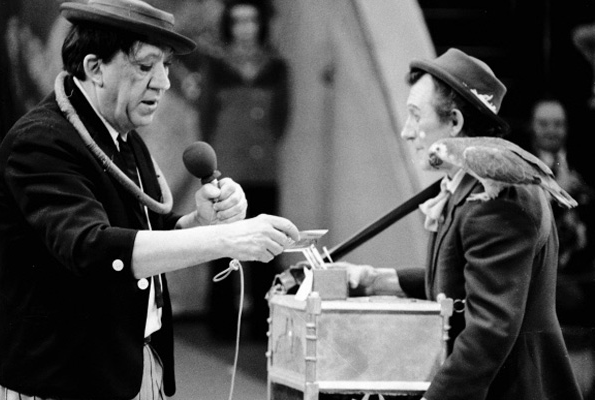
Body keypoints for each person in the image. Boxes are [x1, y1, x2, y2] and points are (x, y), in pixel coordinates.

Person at [0, 1, 300, 399]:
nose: (163, 82)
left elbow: (140, 231)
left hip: (130, 364)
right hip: (67, 378)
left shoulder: (121, 133)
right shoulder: (41, 142)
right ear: (95, 67)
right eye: (145, 66)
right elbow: (93, 248)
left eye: (165, 65)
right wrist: (227, 240)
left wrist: (197, 223)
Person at [342, 48, 583, 400]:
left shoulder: (498, 201)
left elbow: (489, 332)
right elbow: (463, 280)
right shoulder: (467, 185)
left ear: (454, 123)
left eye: (415, 116)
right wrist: (379, 280)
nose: (407, 132)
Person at [180, 0, 290, 341]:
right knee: (222, 244)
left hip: (264, 167)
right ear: (229, 25)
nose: (245, 28)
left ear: (261, 24)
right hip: (227, 165)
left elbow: (281, 118)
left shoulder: (276, 66)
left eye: (251, 21)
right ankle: (222, 325)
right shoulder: (216, 64)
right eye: (238, 21)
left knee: (266, 244)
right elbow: (205, 116)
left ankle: (263, 323)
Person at [526, 97, 595, 399]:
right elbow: (525, 225)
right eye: (544, 124)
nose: (551, 131)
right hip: (544, 280)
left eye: (558, 124)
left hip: (583, 280)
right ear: (532, 128)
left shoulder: (585, 164)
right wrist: (559, 195)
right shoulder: (523, 169)